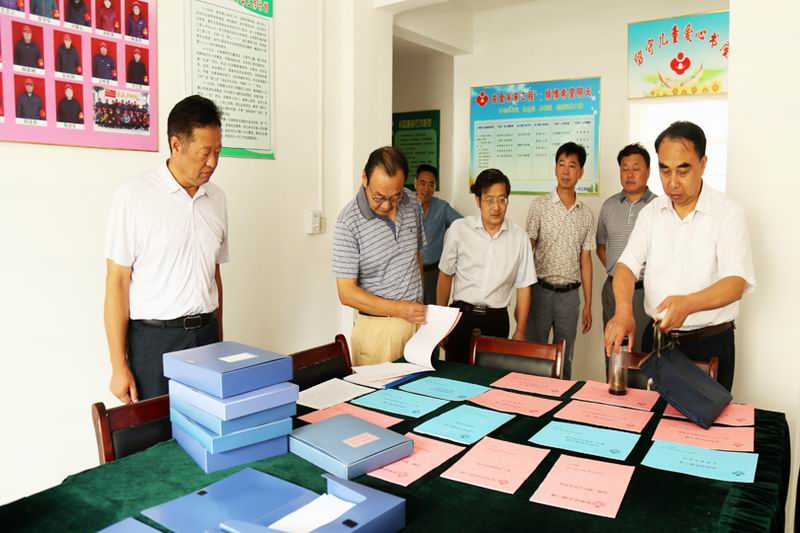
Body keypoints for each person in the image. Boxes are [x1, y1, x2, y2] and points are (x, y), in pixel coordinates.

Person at [604, 121, 755, 391]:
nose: (672, 182)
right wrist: (624, 310)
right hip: (657, 340)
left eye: (683, 170)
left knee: (704, 417)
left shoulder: (727, 213)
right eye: (665, 170)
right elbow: (626, 266)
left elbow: (735, 283)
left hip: (708, 343)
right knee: (648, 414)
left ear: (703, 163)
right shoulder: (651, 214)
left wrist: (689, 304)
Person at [104, 95, 227, 402]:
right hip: (155, 342)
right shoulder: (133, 197)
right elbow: (117, 283)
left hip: (207, 336)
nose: (212, 162)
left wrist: (220, 339)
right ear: (176, 145)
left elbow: (213, 275)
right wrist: (118, 366)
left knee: (207, 424)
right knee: (157, 428)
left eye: (217, 152)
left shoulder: (217, 199)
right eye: (205, 153)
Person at [333, 146, 427, 366]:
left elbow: (415, 257)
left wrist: (419, 305)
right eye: (379, 197)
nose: (386, 205)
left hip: (417, 323)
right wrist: (400, 309)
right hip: (378, 331)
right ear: (364, 178)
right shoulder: (348, 222)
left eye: (394, 197)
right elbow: (346, 293)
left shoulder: (411, 202)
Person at [437, 168, 536, 363]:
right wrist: (440, 323)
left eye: (502, 200)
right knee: (455, 376)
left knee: (492, 379)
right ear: (478, 200)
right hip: (461, 318)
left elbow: (524, 287)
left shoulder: (519, 238)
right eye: (489, 200)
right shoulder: (459, 229)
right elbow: (445, 276)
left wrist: (520, 330)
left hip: (496, 321)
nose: (496, 207)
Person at [525, 142, 595, 379]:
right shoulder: (539, 206)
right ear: (555, 168)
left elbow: (586, 260)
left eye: (572, 166)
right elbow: (527, 251)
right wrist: (522, 297)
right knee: (535, 354)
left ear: (581, 172)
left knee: (564, 357)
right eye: (561, 164)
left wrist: (588, 303)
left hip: (569, 296)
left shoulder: (586, 214)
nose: (566, 171)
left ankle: (560, 399)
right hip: (540, 291)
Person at [596, 143, 656, 352]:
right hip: (612, 290)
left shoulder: (659, 207)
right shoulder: (608, 206)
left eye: (636, 169)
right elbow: (601, 246)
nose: (630, 174)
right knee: (612, 350)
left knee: (640, 351)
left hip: (644, 292)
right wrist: (618, 273)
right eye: (625, 169)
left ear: (648, 171)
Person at [414, 164, 461, 305]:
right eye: (422, 183)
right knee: (411, 311)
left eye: (431, 185)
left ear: (435, 186)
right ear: (415, 183)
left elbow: (462, 226)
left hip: (434, 273)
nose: (426, 189)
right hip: (411, 273)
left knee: (434, 312)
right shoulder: (405, 206)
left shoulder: (441, 207)